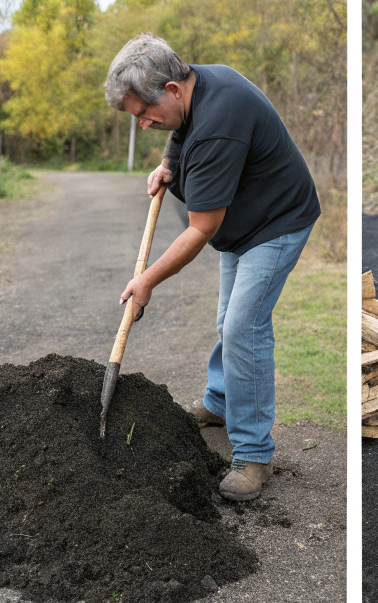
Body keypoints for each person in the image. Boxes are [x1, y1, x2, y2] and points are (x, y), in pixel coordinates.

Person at [104, 33, 321, 502]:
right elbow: (180, 130)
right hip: (242, 224)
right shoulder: (196, 89)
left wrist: (146, 281)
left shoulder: (222, 120)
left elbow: (200, 229)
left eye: (143, 113)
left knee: (244, 326)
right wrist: (168, 163)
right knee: (228, 320)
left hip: (276, 223)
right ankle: (221, 403)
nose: (142, 124)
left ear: (172, 90)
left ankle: (253, 454)